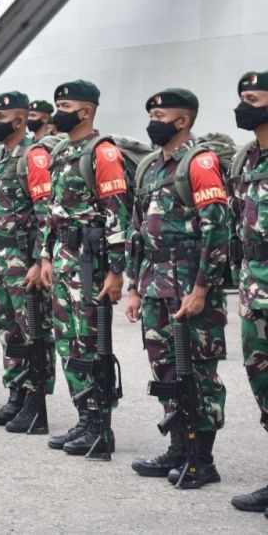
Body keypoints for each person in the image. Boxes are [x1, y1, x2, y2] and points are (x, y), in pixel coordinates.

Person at [125, 89, 228, 488]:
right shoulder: (150, 167)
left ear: (182, 121)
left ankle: (201, 459)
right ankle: (177, 449)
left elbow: (217, 231)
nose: (153, 118)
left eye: (161, 112)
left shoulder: (199, 164)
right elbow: (138, 233)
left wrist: (202, 289)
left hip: (189, 286)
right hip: (154, 286)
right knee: (166, 369)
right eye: (151, 111)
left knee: (198, 372)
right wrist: (135, 287)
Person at [40, 80, 129, 456]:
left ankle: (100, 426)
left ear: (87, 110)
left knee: (92, 343)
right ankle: (83, 416)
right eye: (58, 103)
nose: (59, 110)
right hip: (63, 260)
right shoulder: (62, 151)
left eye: (66, 104)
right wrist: (45, 255)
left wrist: (117, 270)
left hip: (91, 265)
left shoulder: (103, 153)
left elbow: (117, 212)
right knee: (68, 343)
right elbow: (53, 210)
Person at [0, 93, 55, 429]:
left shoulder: (32, 157)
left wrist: (40, 260)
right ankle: (16, 395)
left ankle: (35, 402)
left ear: (20, 121)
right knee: (7, 330)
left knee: (32, 329)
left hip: (23, 259)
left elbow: (46, 213)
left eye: (0, 115)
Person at [228, 70, 268, 518]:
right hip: (253, 288)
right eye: (241, 97)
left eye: (253, 98)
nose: (244, 105)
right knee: (263, 385)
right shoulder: (246, 158)